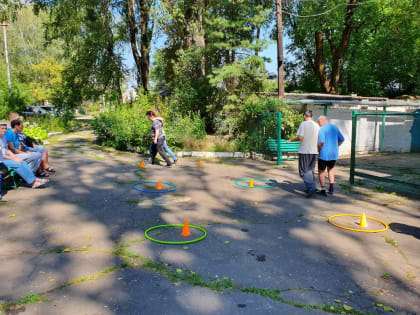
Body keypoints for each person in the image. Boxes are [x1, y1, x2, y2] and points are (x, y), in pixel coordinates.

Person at [0, 122, 48, 188]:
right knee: (19, 164)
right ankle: (34, 181)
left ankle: (32, 179)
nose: (4, 130)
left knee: (23, 162)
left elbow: (7, 150)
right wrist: (14, 159)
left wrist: (14, 156)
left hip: (8, 157)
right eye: (2, 128)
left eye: (5, 128)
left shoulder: (3, 137)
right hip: (2, 160)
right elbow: (2, 155)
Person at [288, 110, 320, 198]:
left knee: (303, 172)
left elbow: (301, 138)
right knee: (310, 171)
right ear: (312, 116)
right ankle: (309, 188)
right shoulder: (316, 125)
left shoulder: (303, 124)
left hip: (305, 151)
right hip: (314, 151)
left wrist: (292, 140)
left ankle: (312, 187)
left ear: (304, 116)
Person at [317, 116, 344, 196]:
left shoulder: (321, 129)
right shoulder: (334, 127)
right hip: (333, 154)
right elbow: (342, 139)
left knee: (321, 171)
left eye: (318, 123)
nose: (319, 125)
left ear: (321, 122)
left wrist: (318, 149)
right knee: (331, 169)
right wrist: (336, 146)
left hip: (324, 154)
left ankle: (323, 190)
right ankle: (331, 189)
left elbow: (321, 142)